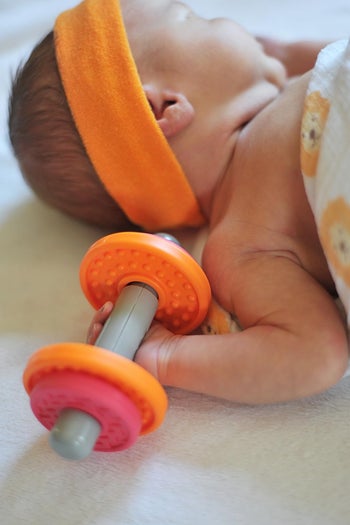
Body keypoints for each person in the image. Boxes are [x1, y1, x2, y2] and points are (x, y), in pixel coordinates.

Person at [8, 0, 350, 404]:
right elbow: (315, 353)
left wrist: (285, 58)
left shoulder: (296, 95)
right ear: (166, 108)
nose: (226, 20)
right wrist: (165, 356)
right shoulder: (242, 244)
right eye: (193, 19)